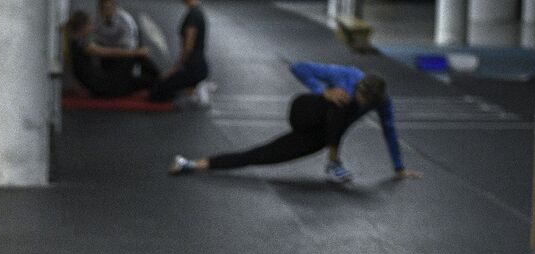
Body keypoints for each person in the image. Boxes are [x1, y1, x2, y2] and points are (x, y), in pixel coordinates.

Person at [168, 61, 424, 183]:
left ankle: (191, 164)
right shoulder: (347, 77)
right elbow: (298, 67)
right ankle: (334, 161)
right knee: (339, 103)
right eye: (362, 97)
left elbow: (389, 130)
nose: (364, 104)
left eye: (369, 103)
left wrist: (399, 168)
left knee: (260, 155)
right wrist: (322, 91)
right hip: (304, 110)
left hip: (320, 135)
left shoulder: (381, 101)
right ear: (359, 86)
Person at [66, 9, 159, 98]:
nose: (92, 27)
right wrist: (136, 52)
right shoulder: (83, 44)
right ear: (83, 26)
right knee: (133, 57)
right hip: (105, 87)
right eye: (90, 24)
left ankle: (157, 81)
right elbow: (108, 52)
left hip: (102, 86)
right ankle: (159, 79)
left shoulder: (75, 43)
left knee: (140, 80)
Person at [149, 0, 211, 104]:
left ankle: (194, 87)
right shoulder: (196, 11)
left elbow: (188, 48)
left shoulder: (193, 15)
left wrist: (175, 68)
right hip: (197, 66)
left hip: (194, 68)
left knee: (155, 93)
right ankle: (192, 86)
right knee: (161, 83)